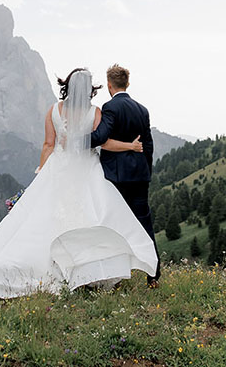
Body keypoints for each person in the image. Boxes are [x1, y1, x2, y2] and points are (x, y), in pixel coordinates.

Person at [0, 68, 159, 298]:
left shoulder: (54, 110)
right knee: (93, 218)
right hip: (87, 171)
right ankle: (90, 272)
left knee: (42, 219)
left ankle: (29, 268)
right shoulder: (95, 112)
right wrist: (131, 146)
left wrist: (42, 172)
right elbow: (102, 143)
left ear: (68, 85)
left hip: (59, 168)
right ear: (89, 89)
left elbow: (48, 144)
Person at [89, 64, 161, 287]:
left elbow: (100, 137)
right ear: (127, 84)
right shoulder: (142, 109)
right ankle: (154, 275)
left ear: (109, 85)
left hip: (115, 177)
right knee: (144, 222)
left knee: (113, 224)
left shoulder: (110, 107)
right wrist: (145, 170)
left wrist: (79, 139)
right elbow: (148, 145)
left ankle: (116, 277)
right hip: (140, 176)